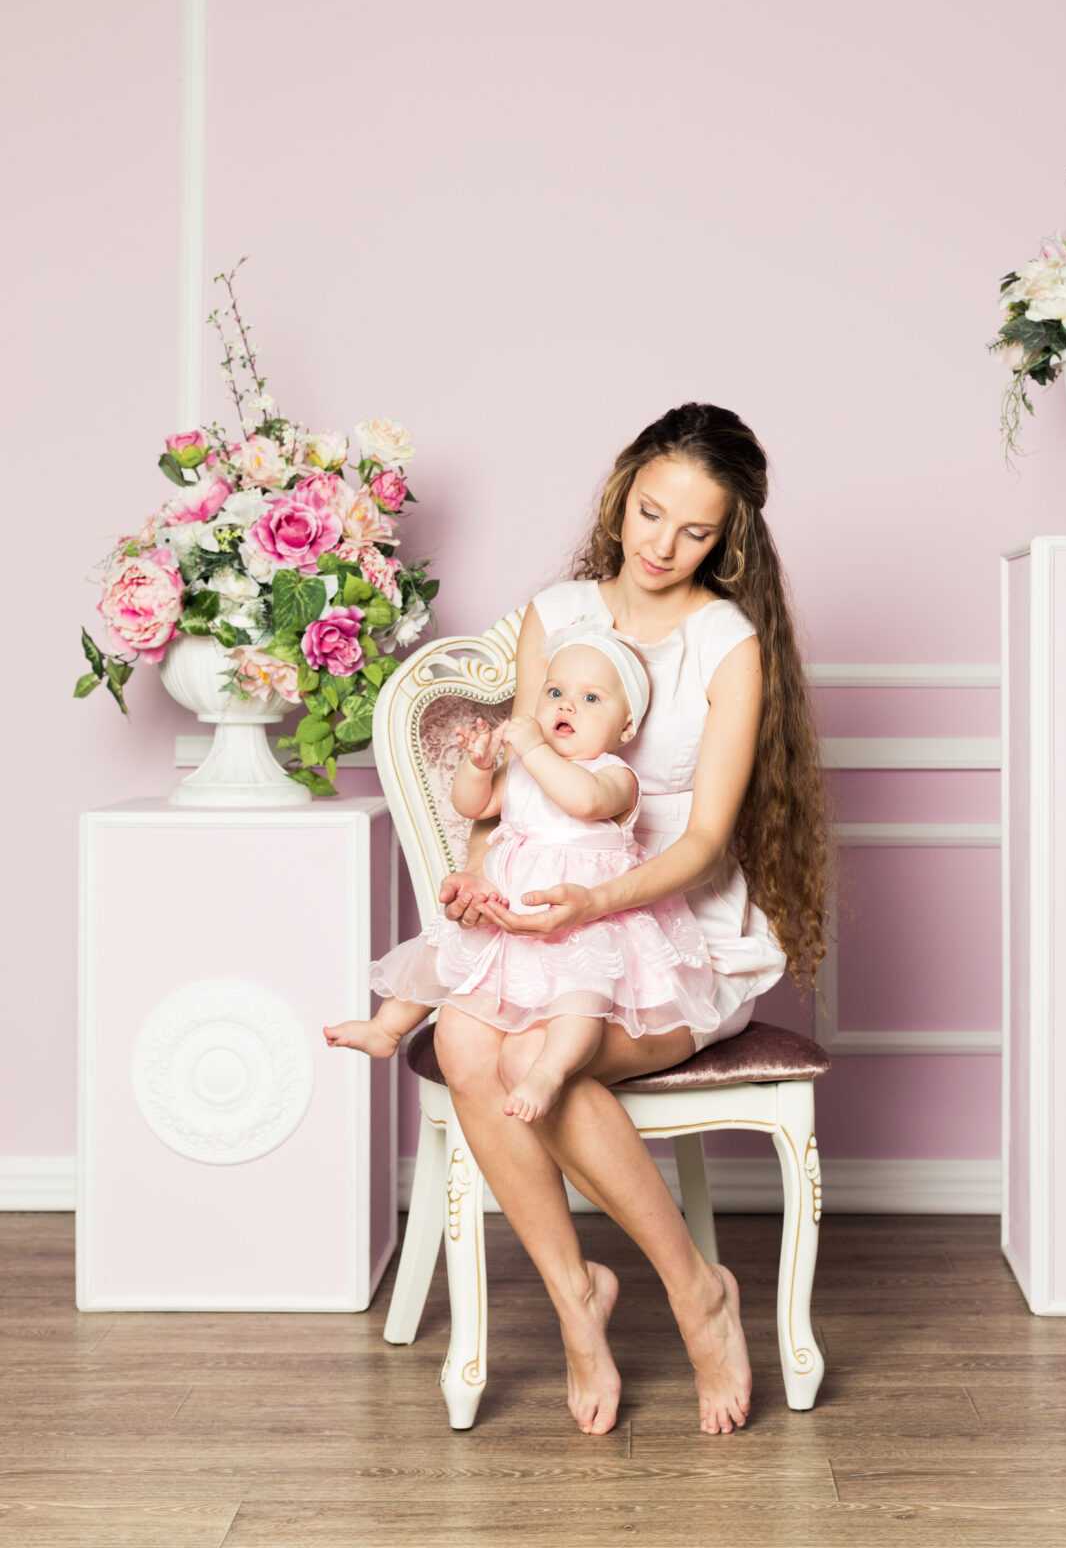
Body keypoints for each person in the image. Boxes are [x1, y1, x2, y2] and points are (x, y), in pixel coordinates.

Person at [419, 403, 826, 1437]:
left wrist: (596, 901)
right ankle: (577, 1301)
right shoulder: (554, 611)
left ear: (729, 537)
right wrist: (479, 886)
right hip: (543, 926)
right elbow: (520, 779)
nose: (661, 545)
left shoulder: (729, 643)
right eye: (650, 512)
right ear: (621, 491)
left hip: (677, 939)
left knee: (530, 1062)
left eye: (694, 531)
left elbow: (697, 847)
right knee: (468, 1034)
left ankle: (697, 1291)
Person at [325, 625, 725, 1121]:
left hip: (584, 926)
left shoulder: (613, 776)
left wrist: (532, 749)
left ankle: (550, 1071)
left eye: (590, 698)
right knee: (444, 956)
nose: (566, 706)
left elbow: (584, 801)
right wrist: (477, 766)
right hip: (508, 919)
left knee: (580, 1003)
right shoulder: (521, 771)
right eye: (555, 692)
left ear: (625, 728)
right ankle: (386, 1028)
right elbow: (474, 806)